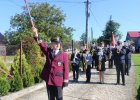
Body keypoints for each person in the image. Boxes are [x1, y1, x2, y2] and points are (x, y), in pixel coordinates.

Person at [32, 27, 69, 100]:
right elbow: (41, 45)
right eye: (55, 43)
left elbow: (66, 69)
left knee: (59, 98)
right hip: (49, 80)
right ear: (52, 44)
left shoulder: (64, 55)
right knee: (50, 98)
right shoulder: (48, 52)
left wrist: (66, 80)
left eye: (58, 43)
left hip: (59, 81)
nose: (58, 44)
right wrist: (36, 34)